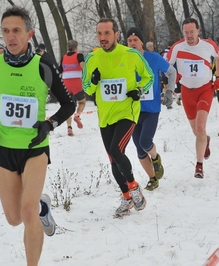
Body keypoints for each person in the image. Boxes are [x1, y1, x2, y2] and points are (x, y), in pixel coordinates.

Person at [0, 6, 76, 265]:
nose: (11, 36)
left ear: (29, 33)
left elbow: (69, 104)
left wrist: (49, 124)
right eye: (6, 31)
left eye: (17, 30)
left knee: (27, 213)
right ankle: (42, 205)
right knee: (14, 218)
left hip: (35, 148)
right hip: (3, 149)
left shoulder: (43, 65)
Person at [82, 18, 154, 217]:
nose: (103, 38)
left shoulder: (130, 54)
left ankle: (134, 187)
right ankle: (127, 197)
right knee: (114, 160)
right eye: (99, 34)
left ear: (116, 34)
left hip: (127, 112)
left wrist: (139, 90)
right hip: (105, 116)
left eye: (107, 33)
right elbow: (86, 87)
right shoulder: (92, 58)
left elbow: (149, 77)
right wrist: (94, 82)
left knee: (116, 149)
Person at [167, 18, 219, 178]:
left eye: (192, 32)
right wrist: (174, 76)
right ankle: (205, 140)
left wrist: (218, 77)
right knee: (196, 130)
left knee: (200, 126)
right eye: (186, 33)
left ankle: (199, 166)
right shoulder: (177, 47)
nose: (189, 35)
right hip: (187, 92)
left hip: (205, 89)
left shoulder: (208, 45)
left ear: (198, 31)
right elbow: (167, 66)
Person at [126, 27, 177, 191]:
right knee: (139, 150)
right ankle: (153, 178)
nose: (132, 43)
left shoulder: (153, 58)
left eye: (135, 40)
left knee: (145, 142)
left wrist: (169, 90)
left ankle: (155, 158)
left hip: (151, 110)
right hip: (132, 111)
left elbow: (172, 71)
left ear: (141, 42)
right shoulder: (124, 60)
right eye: (129, 41)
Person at [59, 40, 86, 136]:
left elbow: (60, 71)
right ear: (76, 47)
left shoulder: (64, 57)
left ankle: (69, 128)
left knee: (68, 106)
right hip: (76, 84)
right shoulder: (79, 55)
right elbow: (83, 66)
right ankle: (77, 115)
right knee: (82, 102)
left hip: (66, 84)